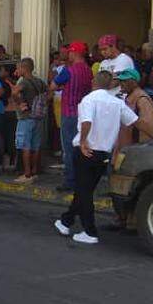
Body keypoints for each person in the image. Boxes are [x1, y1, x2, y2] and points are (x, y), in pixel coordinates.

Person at [54, 71, 140, 246]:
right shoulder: (117, 103)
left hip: (86, 150)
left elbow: (86, 122)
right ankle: (66, 221)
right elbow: (133, 122)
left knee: (84, 192)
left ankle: (89, 231)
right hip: (103, 153)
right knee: (84, 190)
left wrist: (84, 140)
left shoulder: (89, 100)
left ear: (93, 82)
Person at [52, 42, 93, 193]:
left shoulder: (68, 71)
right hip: (84, 114)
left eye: (69, 52)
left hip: (69, 113)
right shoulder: (88, 71)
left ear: (75, 53)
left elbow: (53, 86)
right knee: (82, 146)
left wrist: (63, 87)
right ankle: (83, 179)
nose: (67, 54)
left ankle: (70, 180)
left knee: (68, 148)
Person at [13, 58, 48, 183]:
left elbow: (15, 92)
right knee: (36, 145)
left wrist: (19, 102)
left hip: (26, 117)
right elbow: (48, 94)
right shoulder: (40, 82)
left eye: (19, 68)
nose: (17, 70)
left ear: (24, 68)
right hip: (38, 117)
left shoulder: (24, 82)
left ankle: (27, 173)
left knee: (25, 145)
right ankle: (34, 171)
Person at [114, 68, 153, 151]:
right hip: (125, 147)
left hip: (135, 149)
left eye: (125, 81)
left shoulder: (142, 99)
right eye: (120, 81)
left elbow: (148, 127)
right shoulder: (128, 97)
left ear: (134, 82)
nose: (121, 84)